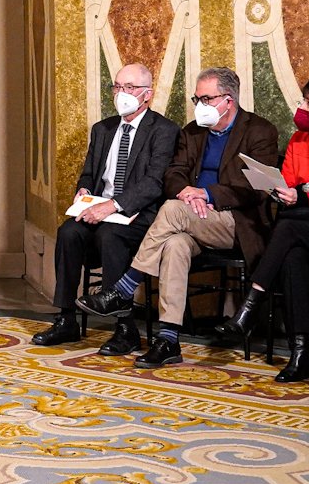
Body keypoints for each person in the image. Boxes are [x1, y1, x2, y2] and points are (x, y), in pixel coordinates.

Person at [77, 67, 282, 368]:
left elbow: (257, 189)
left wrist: (207, 196)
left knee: (171, 210)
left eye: (206, 98)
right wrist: (187, 191)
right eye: (196, 98)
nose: (199, 104)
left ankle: (124, 288)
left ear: (228, 100)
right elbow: (172, 173)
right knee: (174, 245)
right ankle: (169, 340)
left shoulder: (260, 131)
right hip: (190, 216)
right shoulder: (192, 131)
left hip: (235, 221)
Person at [212, 76, 309, 381]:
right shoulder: (300, 140)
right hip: (301, 226)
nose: (302, 108)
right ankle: (301, 354)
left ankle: (251, 306)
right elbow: (287, 181)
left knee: (287, 228)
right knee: (292, 253)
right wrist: (304, 190)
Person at [33, 63, 180, 354]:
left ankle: (124, 327)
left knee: (110, 235)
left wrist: (115, 205)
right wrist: (84, 190)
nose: (121, 94)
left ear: (147, 94)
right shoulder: (103, 129)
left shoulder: (163, 130)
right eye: (117, 87)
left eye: (129, 88)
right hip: (100, 208)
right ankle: (66, 319)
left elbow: (154, 182)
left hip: (139, 214)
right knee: (69, 233)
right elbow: (90, 173)